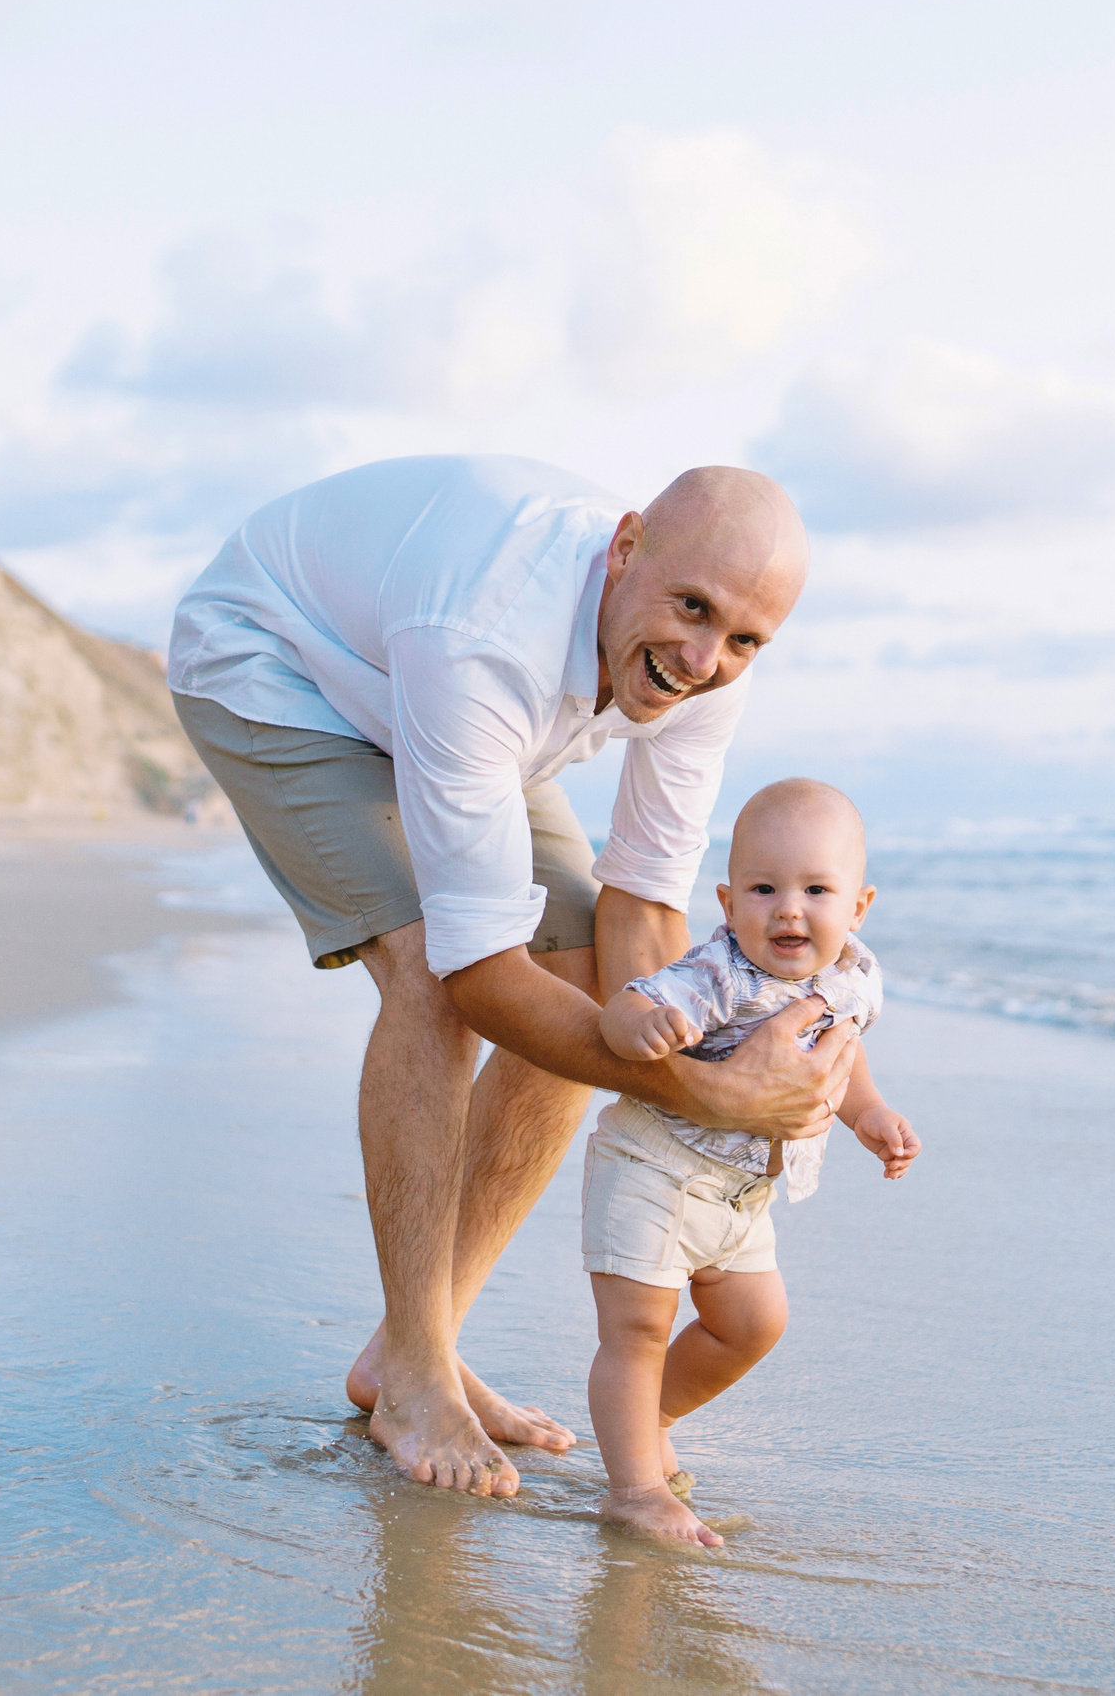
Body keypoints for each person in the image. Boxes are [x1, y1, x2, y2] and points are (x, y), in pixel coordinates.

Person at [166, 455, 855, 1498]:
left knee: (584, 973)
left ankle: (413, 1346)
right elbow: (479, 974)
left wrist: (704, 1067)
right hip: (278, 661)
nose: (704, 657)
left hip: (438, 699)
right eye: (691, 607)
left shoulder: (709, 665)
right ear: (626, 548)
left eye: (744, 638)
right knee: (428, 974)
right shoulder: (485, 632)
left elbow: (643, 906)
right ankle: (414, 1374)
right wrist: (711, 1095)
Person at [583, 777, 919, 1544]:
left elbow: (845, 1051)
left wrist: (869, 1112)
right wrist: (640, 1026)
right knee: (639, 1328)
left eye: (816, 890)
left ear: (859, 907)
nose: (789, 909)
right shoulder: (720, 973)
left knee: (753, 1324)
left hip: (742, 1194)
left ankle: (651, 1417)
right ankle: (634, 1488)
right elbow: (631, 1001)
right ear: (729, 904)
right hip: (656, 1167)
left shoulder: (854, 976)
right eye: (765, 889)